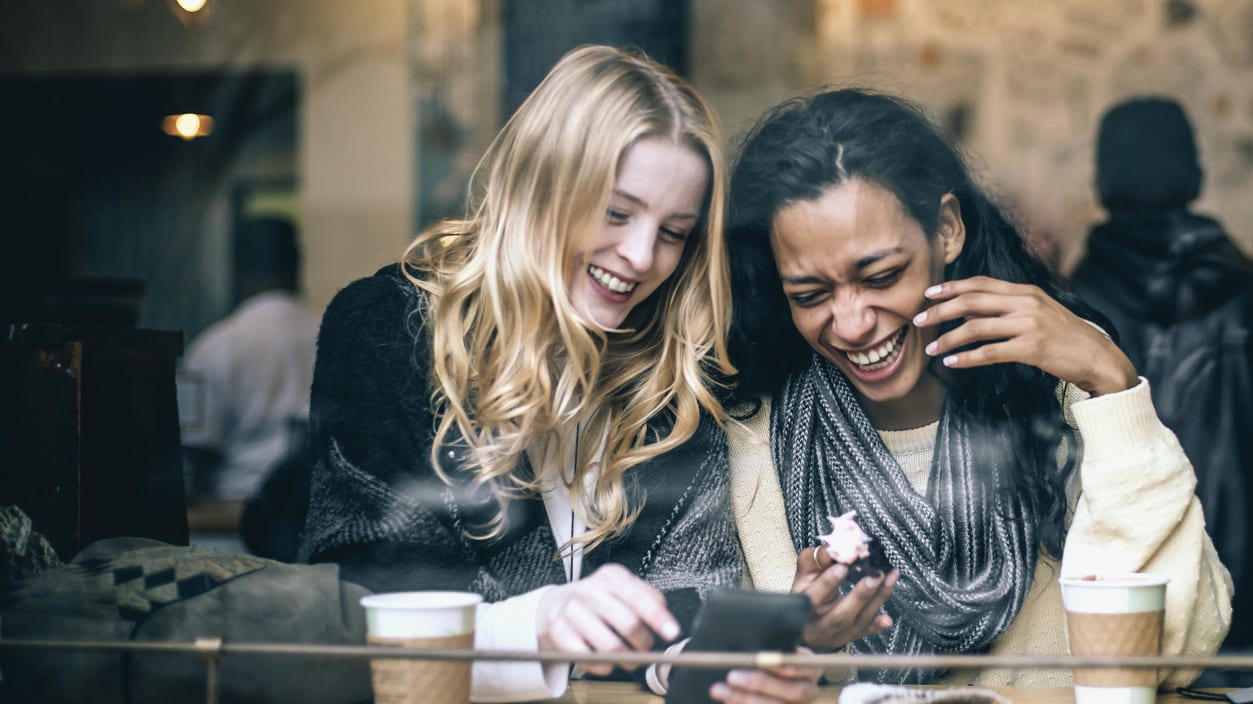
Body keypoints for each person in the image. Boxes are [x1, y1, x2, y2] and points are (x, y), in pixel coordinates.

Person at [299, 45, 819, 704]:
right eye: (615, 211)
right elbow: (372, 603)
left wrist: (700, 666)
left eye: (673, 232)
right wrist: (536, 626)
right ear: (543, 183)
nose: (639, 257)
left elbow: (687, 595)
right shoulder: (389, 327)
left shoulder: (673, 366)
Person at [723, 87, 1232, 688]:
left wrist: (1111, 384)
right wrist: (800, 642)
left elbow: (1178, 645)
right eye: (810, 295)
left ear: (946, 230)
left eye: (882, 275)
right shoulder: (760, 434)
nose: (853, 323)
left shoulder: (1057, 393)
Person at [1070, 96, 1253, 651]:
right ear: (1194, 172)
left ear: (1102, 181)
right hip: (1243, 587)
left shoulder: (1072, 307)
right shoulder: (1243, 291)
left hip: (1122, 588)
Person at [180, 216, 319, 506]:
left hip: (232, 520)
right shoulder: (333, 332)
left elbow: (193, 451)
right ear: (297, 263)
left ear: (235, 269)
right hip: (314, 514)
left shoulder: (214, 346)